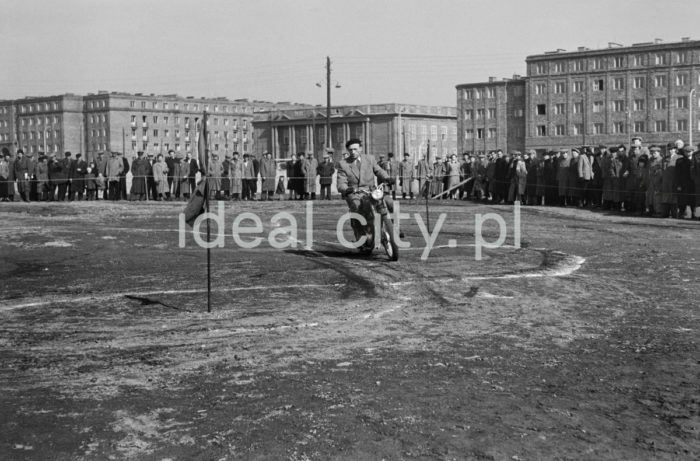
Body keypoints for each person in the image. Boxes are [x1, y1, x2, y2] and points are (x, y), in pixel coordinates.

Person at [335, 138, 392, 248]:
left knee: (389, 202)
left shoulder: (369, 159)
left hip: (371, 191)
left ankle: (393, 228)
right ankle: (361, 236)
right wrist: (346, 189)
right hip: (355, 193)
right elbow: (341, 182)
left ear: (360, 149)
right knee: (357, 208)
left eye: (355, 149)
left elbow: (378, 170)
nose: (353, 152)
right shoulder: (343, 164)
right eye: (350, 150)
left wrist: (387, 178)